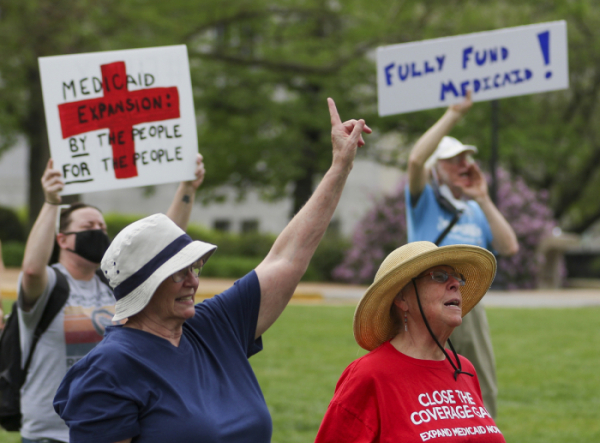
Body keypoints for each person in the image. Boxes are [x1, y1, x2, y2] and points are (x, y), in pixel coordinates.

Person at [53, 98, 371, 443]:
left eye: (194, 267)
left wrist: (340, 165)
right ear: (143, 286)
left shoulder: (213, 325)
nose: (193, 280)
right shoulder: (108, 370)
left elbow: (287, 258)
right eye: (178, 273)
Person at [17, 153, 206, 443]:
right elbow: (31, 270)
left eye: (102, 228)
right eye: (88, 227)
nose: (98, 232)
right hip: (49, 434)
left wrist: (187, 190)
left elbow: (162, 252)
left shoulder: (114, 287)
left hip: (111, 424)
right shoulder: (49, 286)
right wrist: (52, 201)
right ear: (63, 239)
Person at [315, 241, 506, 442]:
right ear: (402, 299)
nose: (455, 284)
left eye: (458, 278)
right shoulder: (369, 375)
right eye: (439, 276)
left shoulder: (464, 368)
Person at [404, 92, 519, 417]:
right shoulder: (423, 201)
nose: (463, 165)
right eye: (453, 160)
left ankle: (484, 431)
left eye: (466, 159)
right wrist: (453, 114)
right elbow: (414, 161)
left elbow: (509, 246)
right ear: (436, 169)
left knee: (479, 379)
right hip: (427, 301)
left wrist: (482, 197)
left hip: (469, 303)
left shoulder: (472, 210)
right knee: (424, 377)